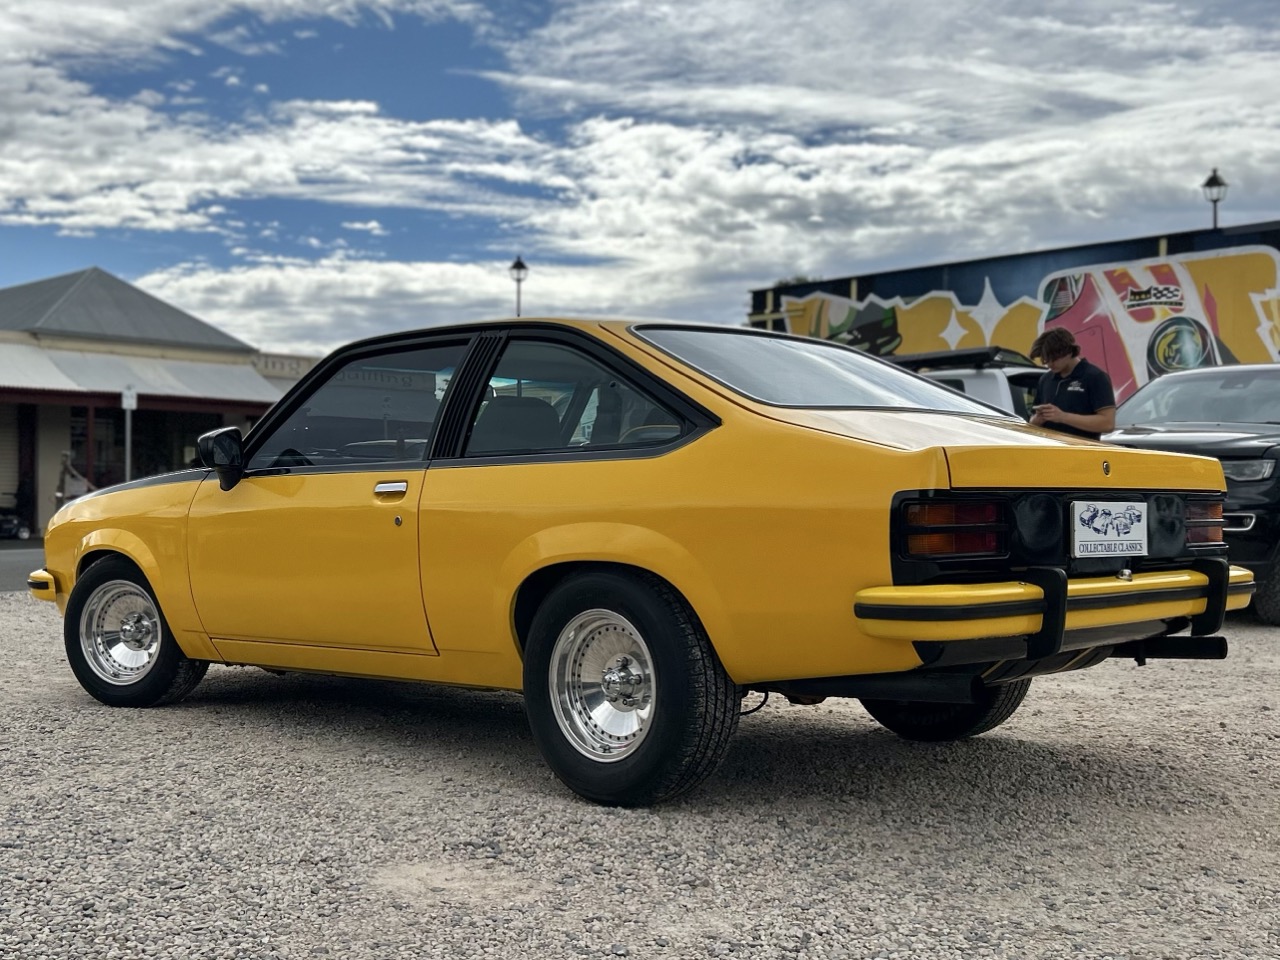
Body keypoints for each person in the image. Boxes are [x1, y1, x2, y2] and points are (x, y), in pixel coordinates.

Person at [1028, 327, 1116, 441]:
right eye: (1045, 360)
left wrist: (1063, 417)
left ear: (1069, 352)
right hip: (1049, 448)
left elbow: (1107, 424)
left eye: (1053, 359)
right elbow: (1032, 421)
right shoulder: (1045, 379)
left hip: (1080, 449)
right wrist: (1036, 420)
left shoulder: (1095, 377)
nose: (1049, 364)